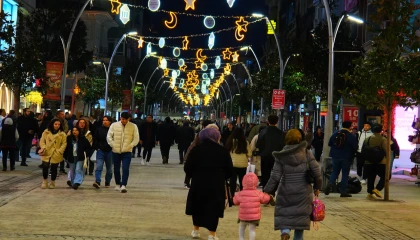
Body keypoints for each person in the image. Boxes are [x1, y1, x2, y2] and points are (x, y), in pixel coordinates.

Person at [264, 129, 322, 240]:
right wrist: (317, 187)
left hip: (286, 191)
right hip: (304, 192)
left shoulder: (281, 156)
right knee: (300, 221)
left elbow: (275, 176)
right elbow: (317, 172)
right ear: (300, 139)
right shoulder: (307, 153)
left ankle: (285, 231)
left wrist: (267, 190)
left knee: (285, 214)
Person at [185, 127, 233, 240]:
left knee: (197, 206)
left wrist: (194, 175)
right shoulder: (222, 151)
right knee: (214, 208)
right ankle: (212, 234)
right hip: (216, 184)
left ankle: (196, 230)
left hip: (198, 183)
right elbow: (229, 171)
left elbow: (187, 168)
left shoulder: (196, 150)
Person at [106, 112, 139, 193]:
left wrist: (130, 145)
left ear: (128, 119)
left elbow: (136, 138)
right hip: (116, 151)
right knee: (116, 168)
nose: (122, 121)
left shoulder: (133, 126)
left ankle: (123, 185)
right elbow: (109, 136)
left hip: (127, 151)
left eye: (124, 119)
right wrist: (112, 144)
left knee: (125, 168)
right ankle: (117, 183)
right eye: (121, 119)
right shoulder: (114, 125)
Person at [324, 121, 358, 197]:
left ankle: (330, 183)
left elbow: (330, 143)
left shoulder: (335, 133)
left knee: (335, 171)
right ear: (350, 127)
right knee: (345, 174)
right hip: (346, 157)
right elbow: (355, 147)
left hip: (335, 156)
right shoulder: (351, 136)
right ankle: (343, 192)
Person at [233, 172, 271, 240]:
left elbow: (235, 201)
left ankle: (241, 238)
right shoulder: (258, 193)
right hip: (254, 217)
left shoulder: (241, 193)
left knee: (241, 227)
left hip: (243, 216)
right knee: (252, 230)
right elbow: (265, 199)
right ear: (256, 182)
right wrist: (268, 196)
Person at [256, 115, 285, 188]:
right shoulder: (280, 133)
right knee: (276, 175)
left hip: (265, 156)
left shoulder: (263, 132)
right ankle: (273, 191)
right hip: (277, 157)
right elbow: (283, 145)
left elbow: (258, 144)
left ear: (268, 121)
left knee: (265, 175)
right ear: (277, 122)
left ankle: (265, 191)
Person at [39, 119, 67, 189]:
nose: (57, 126)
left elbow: (64, 143)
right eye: (55, 124)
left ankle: (52, 181)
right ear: (52, 124)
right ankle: (44, 181)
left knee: (54, 168)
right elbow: (42, 141)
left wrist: (60, 151)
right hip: (47, 152)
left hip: (56, 152)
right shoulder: (46, 132)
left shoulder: (62, 134)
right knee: (45, 167)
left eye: (58, 124)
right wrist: (44, 148)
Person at [225, 127, 252, 198]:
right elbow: (249, 154)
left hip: (232, 164)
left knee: (232, 180)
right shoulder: (245, 142)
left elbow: (226, 152)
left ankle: (232, 196)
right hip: (243, 164)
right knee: (242, 180)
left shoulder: (230, 141)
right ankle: (242, 196)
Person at [365, 124, 388, 200]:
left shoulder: (367, 139)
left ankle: (370, 193)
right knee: (386, 175)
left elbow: (363, 150)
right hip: (380, 161)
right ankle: (377, 189)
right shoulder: (383, 139)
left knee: (371, 177)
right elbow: (386, 151)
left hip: (369, 161)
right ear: (381, 130)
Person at [92, 116, 113, 188]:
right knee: (99, 166)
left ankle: (107, 181)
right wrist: (97, 147)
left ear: (110, 121)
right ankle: (97, 181)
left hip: (110, 151)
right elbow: (95, 139)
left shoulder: (113, 130)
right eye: (103, 120)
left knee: (109, 168)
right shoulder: (99, 129)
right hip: (100, 150)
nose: (105, 121)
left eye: (106, 120)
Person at [56, 110, 69, 174]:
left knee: (62, 154)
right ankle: (53, 168)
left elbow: (66, 129)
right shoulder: (54, 121)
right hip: (55, 139)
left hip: (62, 138)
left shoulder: (65, 121)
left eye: (63, 114)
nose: (63, 115)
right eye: (61, 114)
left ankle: (61, 168)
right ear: (58, 115)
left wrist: (63, 133)